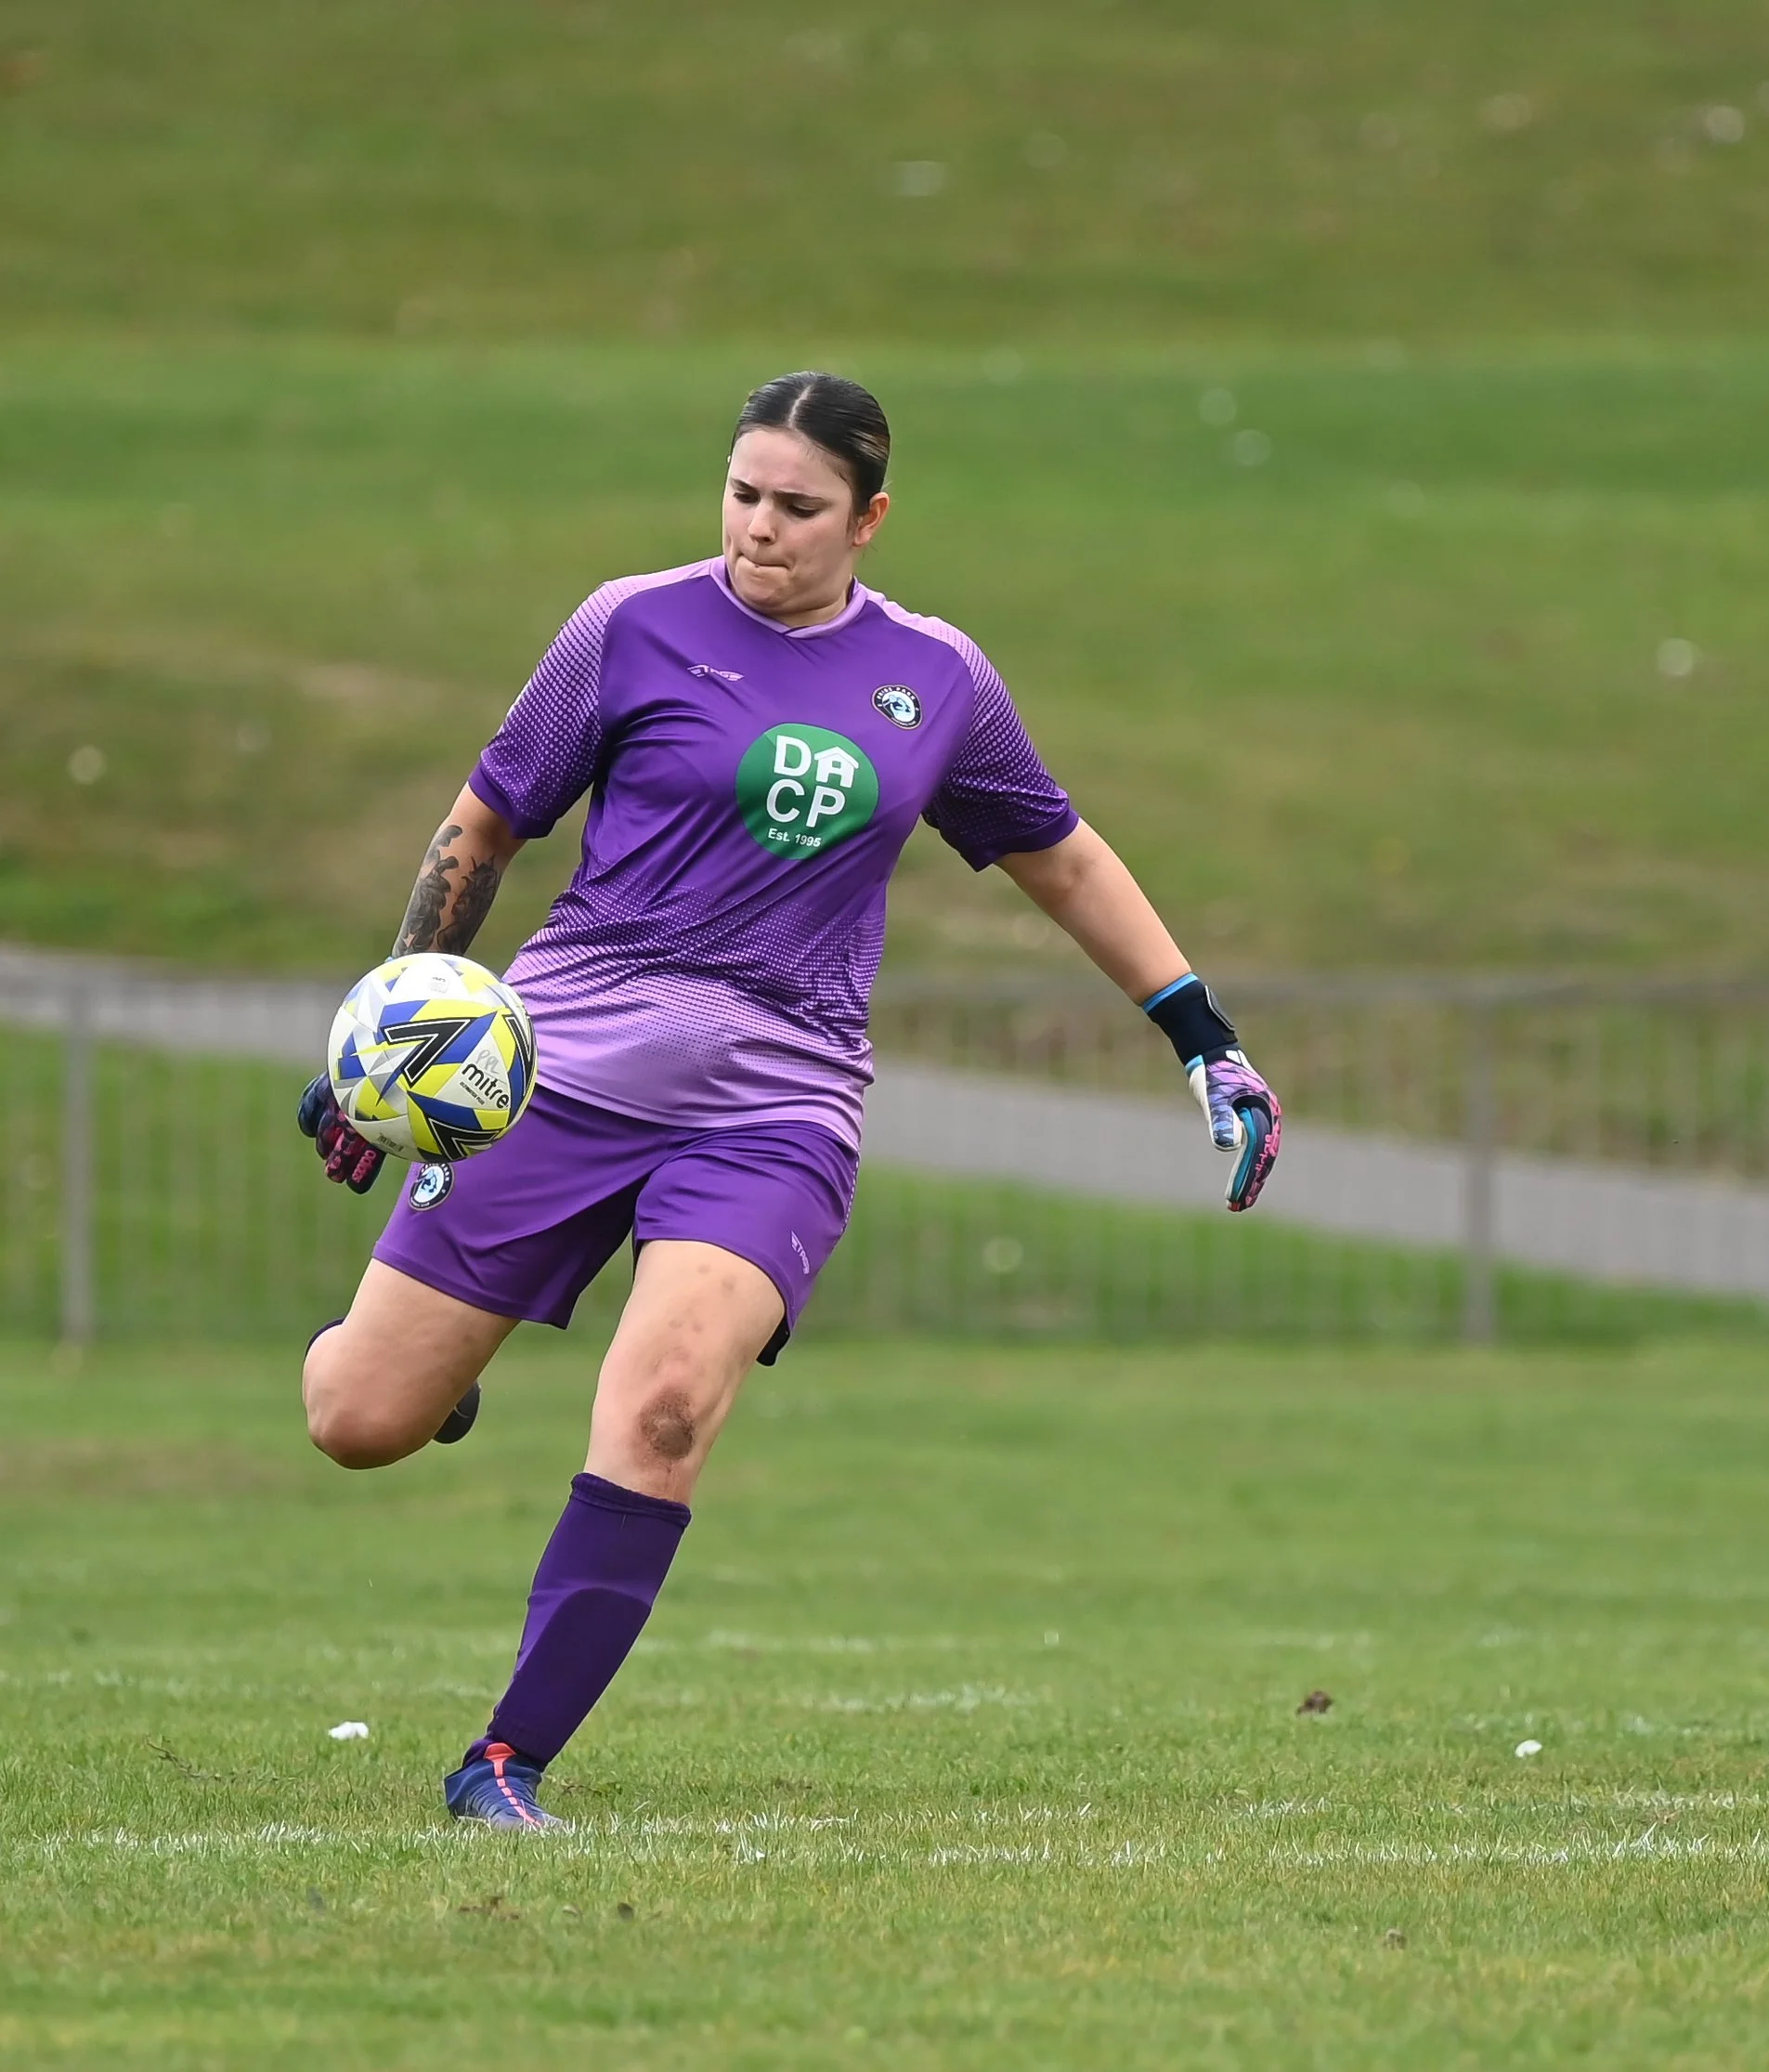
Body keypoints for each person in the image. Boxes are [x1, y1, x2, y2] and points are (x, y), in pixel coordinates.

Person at [298, 371, 1281, 1829]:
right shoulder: (628, 623)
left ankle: (503, 1760)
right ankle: (443, 1381)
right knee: (356, 1419)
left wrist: (1202, 1035)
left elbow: (1061, 856)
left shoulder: (938, 676)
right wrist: (381, 1036)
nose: (762, 529)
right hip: (561, 1068)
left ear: (870, 519)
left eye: (800, 507)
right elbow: (487, 819)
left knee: (670, 1408)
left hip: (779, 1102)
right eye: (744, 495)